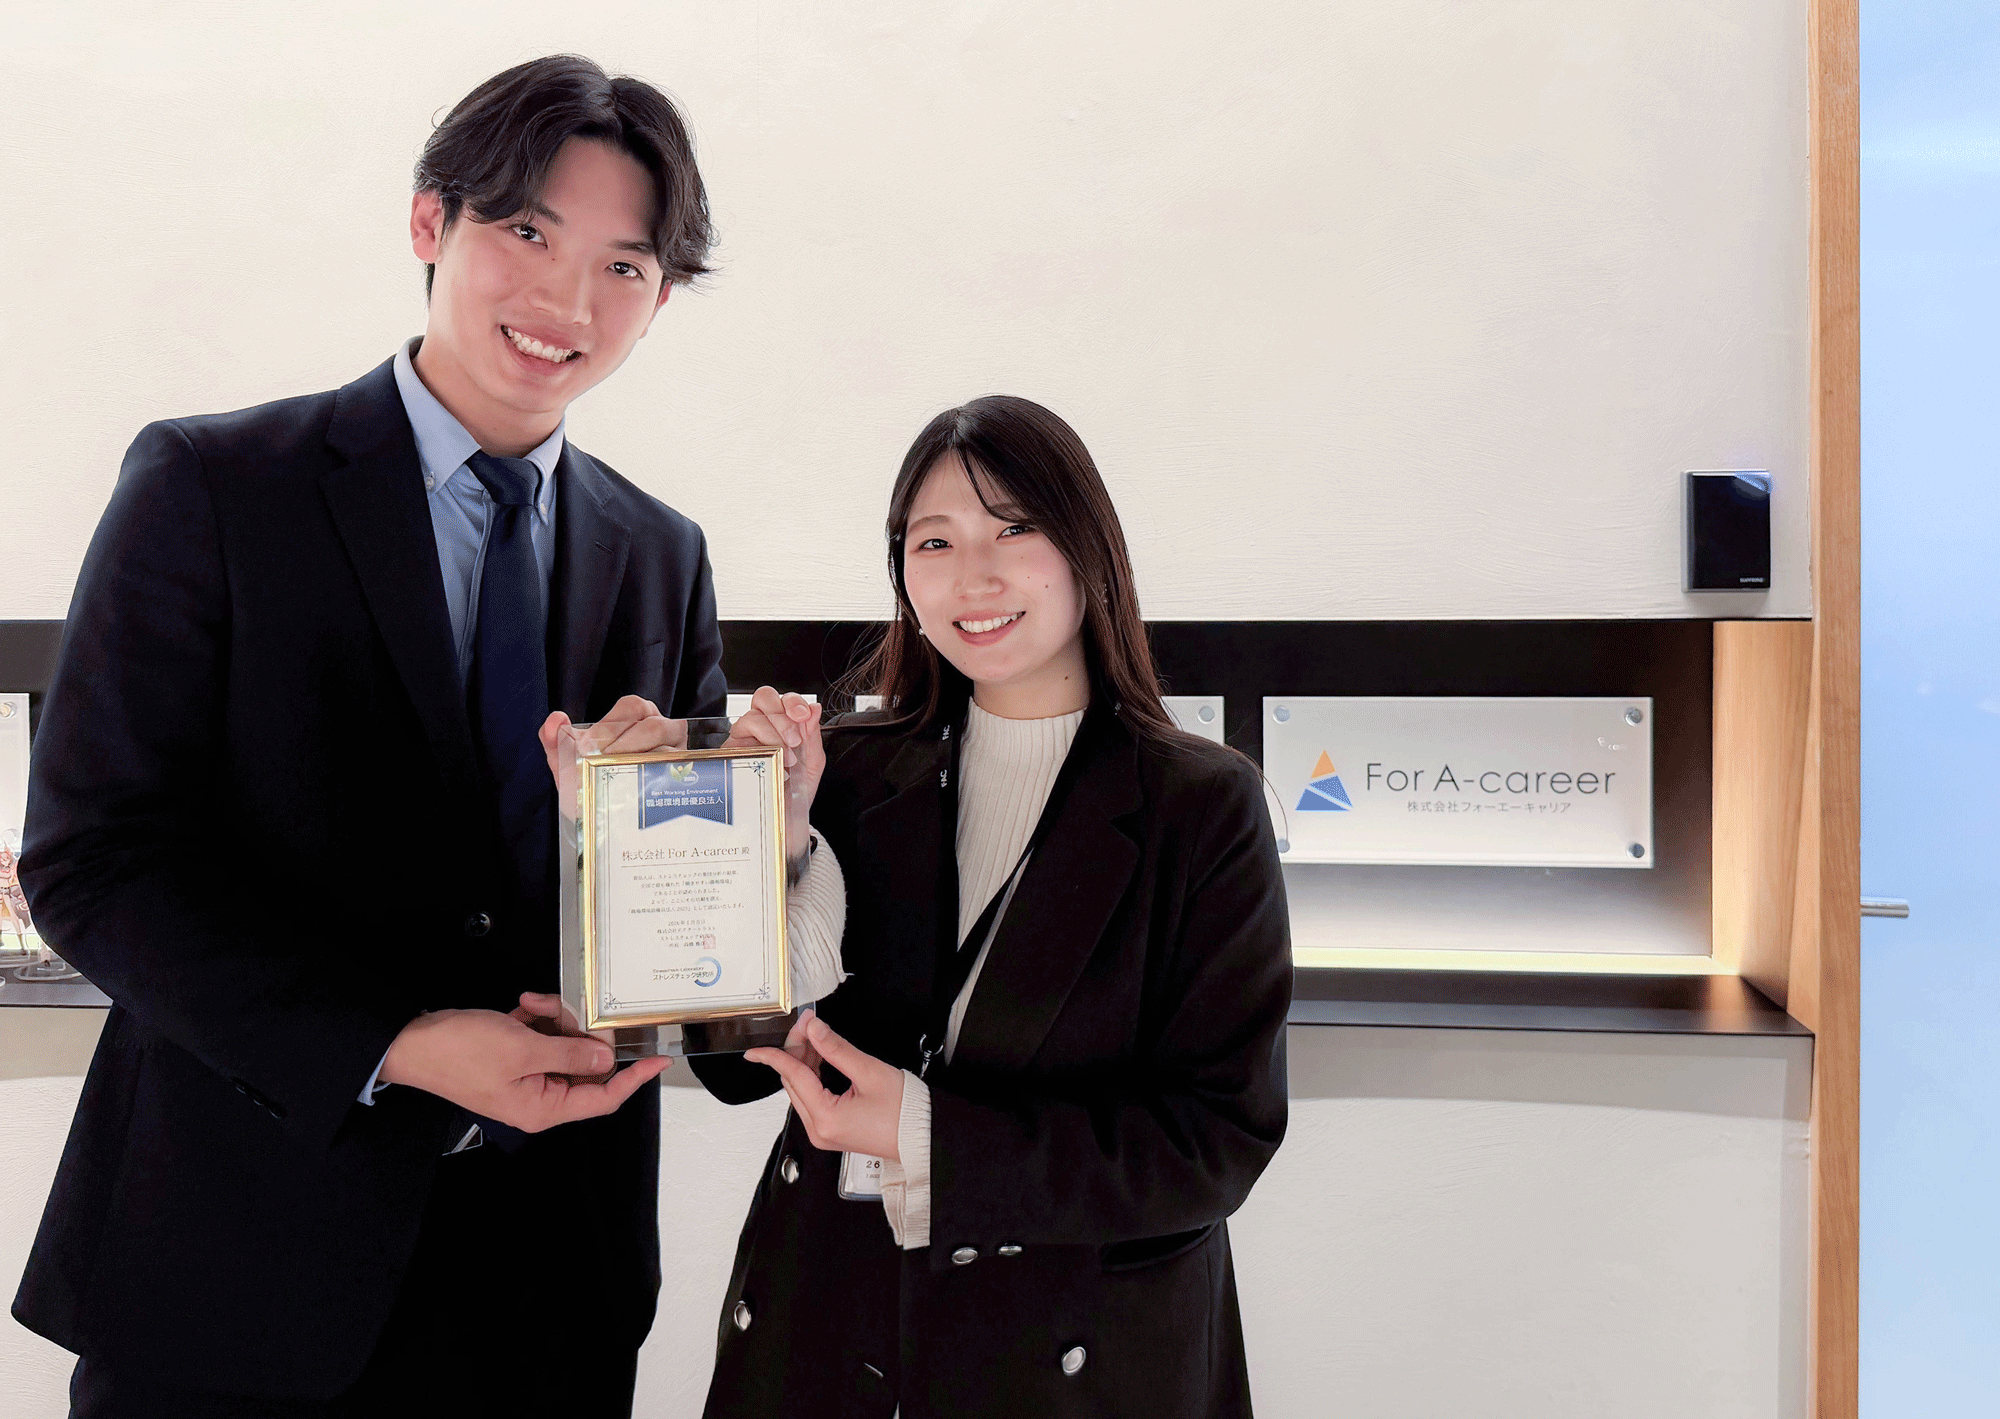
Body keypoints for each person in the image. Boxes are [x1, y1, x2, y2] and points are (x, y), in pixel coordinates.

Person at [12, 55, 843, 1416]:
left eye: (623, 267)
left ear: (660, 300)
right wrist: (392, 1041)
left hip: (544, 1285)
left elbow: (682, 974)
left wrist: (771, 841)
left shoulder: (660, 552)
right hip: (238, 1258)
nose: (567, 302)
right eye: (526, 231)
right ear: (428, 222)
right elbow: (92, 862)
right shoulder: (215, 485)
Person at [689, 396, 1293, 1417]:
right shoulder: (849, 774)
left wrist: (928, 1136)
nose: (974, 576)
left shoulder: (1199, 805)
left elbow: (1215, 1141)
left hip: (1068, 1360)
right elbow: (731, 1067)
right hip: (828, 1330)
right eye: (934, 541)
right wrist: (774, 843)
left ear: (1088, 551)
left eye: (1015, 528)